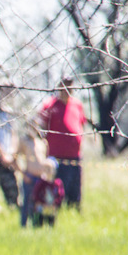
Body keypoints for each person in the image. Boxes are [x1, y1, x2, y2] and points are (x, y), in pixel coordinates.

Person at [36, 76, 88, 208]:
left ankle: (73, 211)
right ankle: (53, 212)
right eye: (65, 86)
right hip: (56, 157)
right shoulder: (50, 105)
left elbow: (82, 124)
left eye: (70, 86)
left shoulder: (77, 104)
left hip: (75, 156)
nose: (67, 89)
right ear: (59, 87)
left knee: (74, 189)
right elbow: (40, 126)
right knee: (56, 188)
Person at [31, 157, 65, 227]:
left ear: (54, 170)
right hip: (41, 206)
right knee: (39, 221)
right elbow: (36, 194)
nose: (47, 171)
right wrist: (41, 202)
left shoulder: (57, 183)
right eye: (45, 169)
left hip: (52, 207)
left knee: (51, 222)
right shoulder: (41, 183)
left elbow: (60, 195)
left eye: (49, 169)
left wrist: (55, 203)